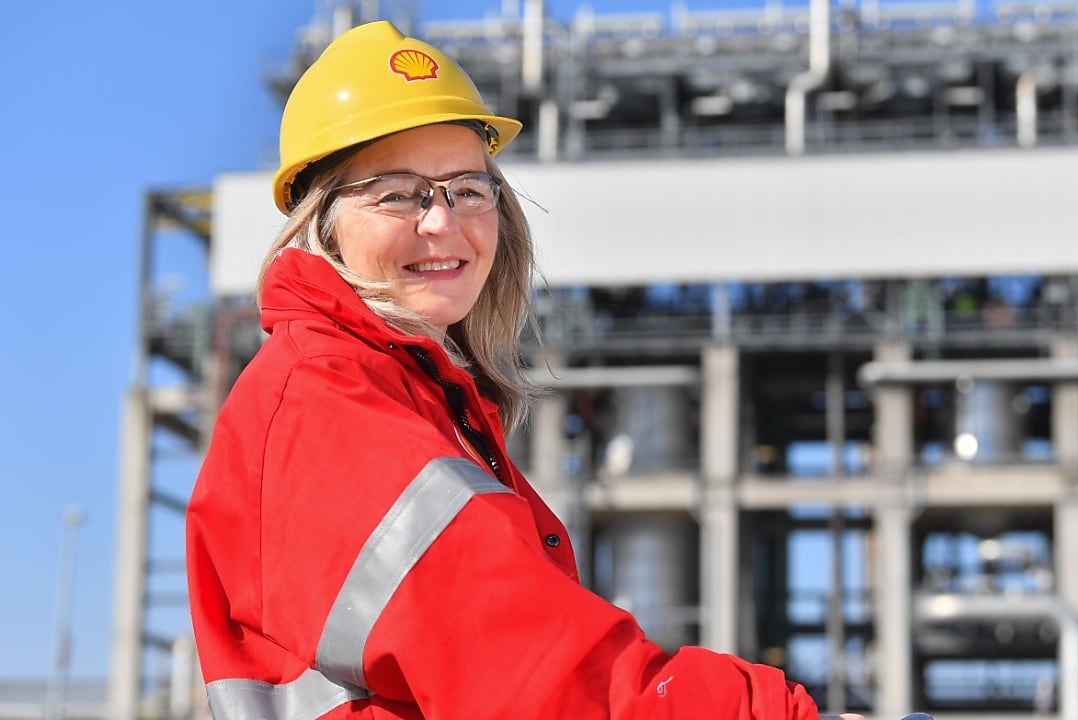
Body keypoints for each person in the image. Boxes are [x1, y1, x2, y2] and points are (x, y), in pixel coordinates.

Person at [186, 20, 863, 720]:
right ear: (320, 221)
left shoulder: (401, 395)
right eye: (398, 194)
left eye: (468, 190)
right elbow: (543, 681)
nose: (443, 223)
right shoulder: (327, 407)